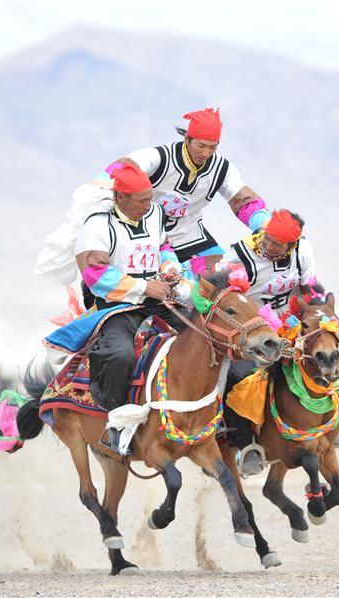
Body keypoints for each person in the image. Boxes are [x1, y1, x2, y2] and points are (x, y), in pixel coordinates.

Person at [74, 162, 182, 452]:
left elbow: (164, 247)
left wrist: (170, 267)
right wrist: (144, 287)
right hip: (117, 307)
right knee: (119, 355)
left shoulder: (154, 213)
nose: (149, 205)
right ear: (121, 197)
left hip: (159, 300)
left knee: (203, 336)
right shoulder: (98, 225)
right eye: (142, 200)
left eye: (150, 198)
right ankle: (117, 424)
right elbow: (95, 275)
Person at [217, 210, 322, 475]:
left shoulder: (303, 252)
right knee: (240, 375)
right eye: (268, 239)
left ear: (292, 245)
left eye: (277, 244)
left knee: (320, 356)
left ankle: (329, 424)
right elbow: (222, 292)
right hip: (251, 328)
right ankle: (244, 445)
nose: (269, 246)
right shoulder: (240, 255)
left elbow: (310, 289)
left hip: (289, 323)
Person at [113, 108, 270, 266]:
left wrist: (267, 227)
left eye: (212, 147)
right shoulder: (158, 157)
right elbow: (117, 173)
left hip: (189, 234)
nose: (206, 153)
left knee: (225, 274)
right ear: (187, 139)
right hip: (145, 232)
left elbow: (244, 201)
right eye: (201, 145)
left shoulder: (222, 169)